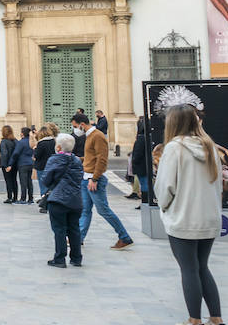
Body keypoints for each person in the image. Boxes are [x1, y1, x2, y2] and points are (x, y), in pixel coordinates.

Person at [153, 104, 226, 325]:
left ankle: (194, 321)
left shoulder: (174, 148)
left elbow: (165, 186)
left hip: (184, 217)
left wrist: (165, 207)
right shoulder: (210, 146)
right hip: (209, 218)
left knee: (189, 269)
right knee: (202, 266)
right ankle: (216, 321)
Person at [74, 112, 133, 250]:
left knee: (103, 210)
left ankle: (124, 237)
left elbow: (102, 159)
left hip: (94, 179)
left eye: (75, 127)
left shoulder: (97, 136)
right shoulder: (90, 136)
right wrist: (78, 159)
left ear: (82, 125)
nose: (75, 130)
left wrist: (95, 178)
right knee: (85, 210)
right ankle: (79, 238)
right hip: (86, 177)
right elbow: (92, 158)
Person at [39, 133, 84, 267]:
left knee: (59, 230)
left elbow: (46, 180)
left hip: (58, 199)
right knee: (74, 229)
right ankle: (76, 258)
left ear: (58, 147)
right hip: (76, 199)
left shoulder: (55, 160)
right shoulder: (77, 160)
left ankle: (60, 258)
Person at [130, 118, 153, 209]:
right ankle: (147, 201)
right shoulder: (149, 137)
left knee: (144, 184)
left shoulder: (140, 138)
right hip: (146, 165)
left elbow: (137, 154)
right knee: (146, 183)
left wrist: (134, 161)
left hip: (140, 166)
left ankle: (145, 202)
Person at [13, 126, 34, 204]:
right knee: (29, 181)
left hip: (23, 163)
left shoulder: (21, 142)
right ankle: (31, 198)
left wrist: (12, 162)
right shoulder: (31, 141)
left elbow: (16, 153)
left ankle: (23, 198)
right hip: (30, 163)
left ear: (22, 133)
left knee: (23, 182)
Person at [0, 125, 19, 204]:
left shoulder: (4, 142)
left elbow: (4, 154)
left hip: (6, 164)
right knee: (14, 180)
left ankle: (9, 197)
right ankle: (15, 197)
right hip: (14, 164)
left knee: (8, 181)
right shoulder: (15, 140)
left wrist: (6, 165)